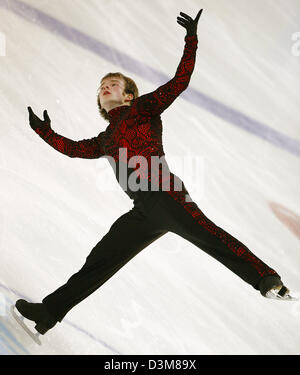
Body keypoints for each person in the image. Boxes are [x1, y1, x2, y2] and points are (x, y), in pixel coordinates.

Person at [15, 9, 292, 337]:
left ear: (128, 95)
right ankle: (48, 312)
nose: (106, 87)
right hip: (143, 211)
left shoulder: (143, 109)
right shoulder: (104, 140)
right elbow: (74, 148)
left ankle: (267, 280)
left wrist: (191, 40)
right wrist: (44, 131)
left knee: (212, 237)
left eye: (113, 84)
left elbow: (179, 82)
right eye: (103, 87)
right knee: (101, 260)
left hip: (168, 195)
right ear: (101, 106)